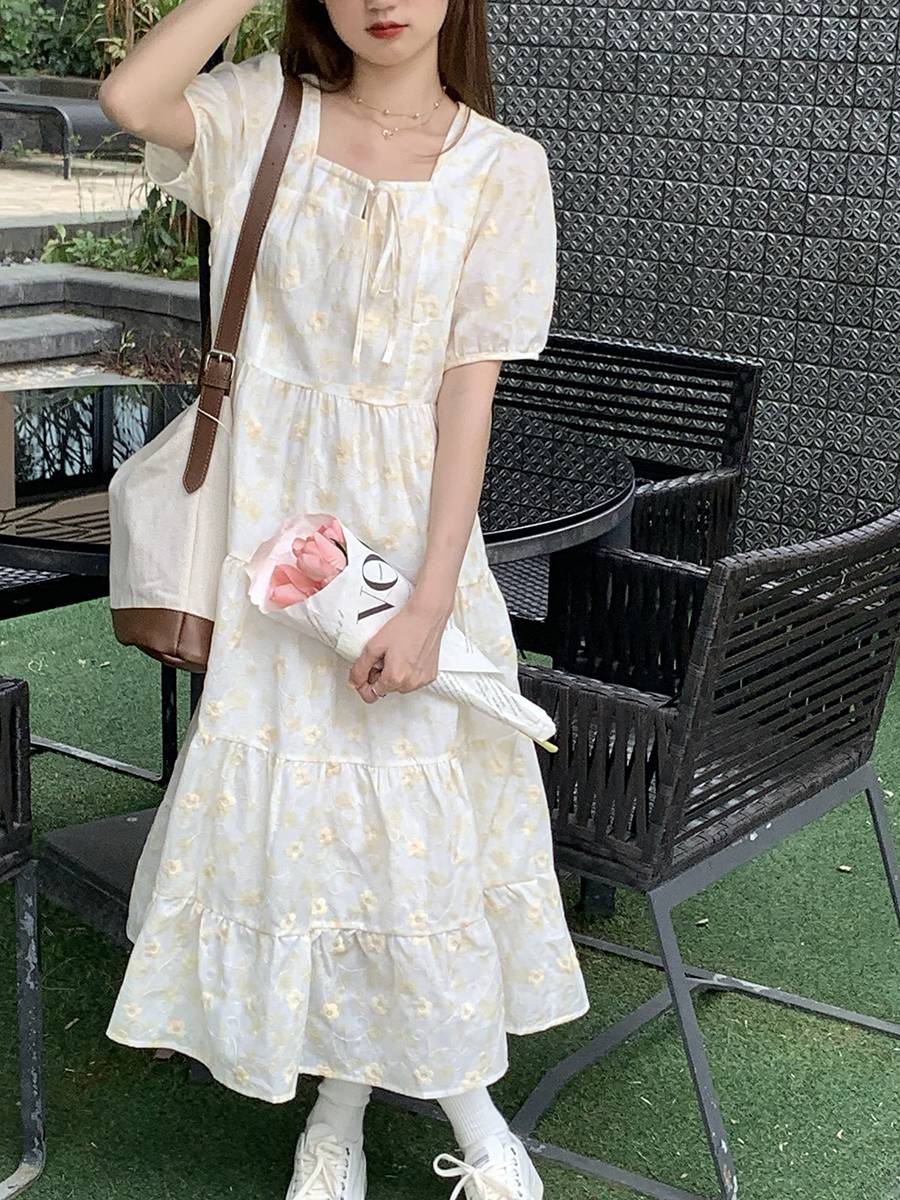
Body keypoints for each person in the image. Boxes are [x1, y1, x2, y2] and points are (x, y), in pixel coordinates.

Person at [98, 1, 589, 1196]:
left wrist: (430, 602)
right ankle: (360, 1118)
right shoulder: (262, 114)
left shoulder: (503, 167)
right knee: (308, 834)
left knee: (409, 838)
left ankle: (379, 1113)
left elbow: (467, 395)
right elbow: (131, 100)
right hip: (272, 552)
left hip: (410, 550)